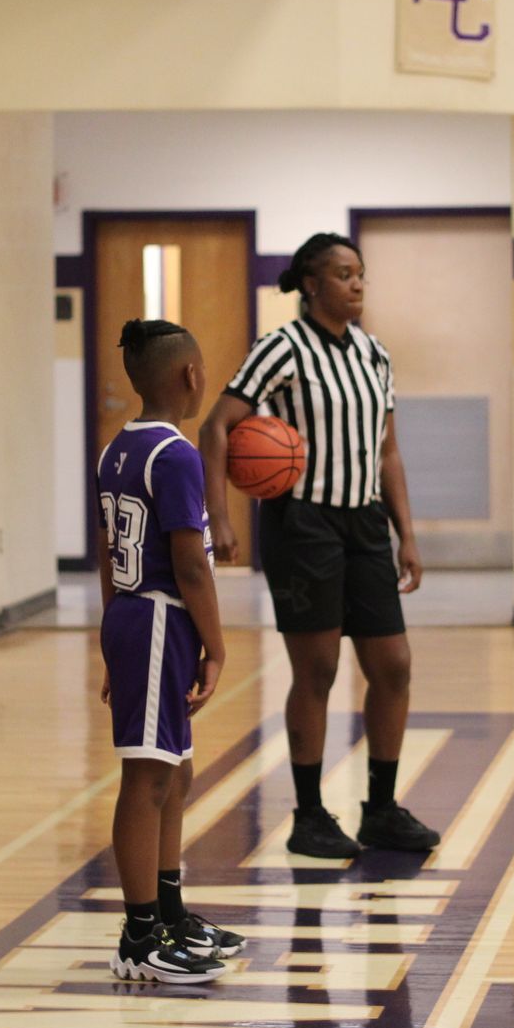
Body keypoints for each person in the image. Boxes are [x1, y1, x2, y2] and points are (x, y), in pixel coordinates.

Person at [199, 233, 437, 860]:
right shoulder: (281, 348)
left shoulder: (374, 354)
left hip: (365, 524)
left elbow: (387, 451)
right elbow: (216, 426)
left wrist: (407, 534)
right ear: (311, 284)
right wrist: (219, 517)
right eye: (343, 273)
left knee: (394, 665)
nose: (356, 284)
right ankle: (308, 815)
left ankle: (380, 809)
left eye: (360, 274)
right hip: (302, 523)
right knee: (319, 669)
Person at [98, 319, 245, 983]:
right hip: (160, 618)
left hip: (135, 618)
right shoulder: (177, 455)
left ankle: (168, 911)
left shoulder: (116, 450)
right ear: (191, 375)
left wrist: (112, 635)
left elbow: (108, 555)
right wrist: (216, 646)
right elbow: (191, 566)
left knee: (175, 773)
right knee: (148, 779)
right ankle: (139, 936)